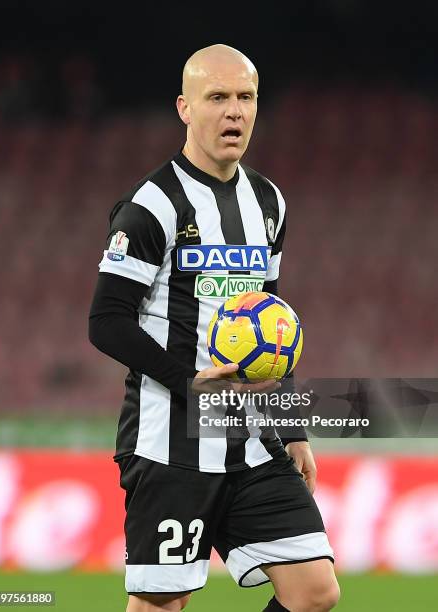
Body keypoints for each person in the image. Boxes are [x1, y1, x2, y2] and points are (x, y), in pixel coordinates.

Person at [89, 44, 340, 612]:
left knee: (315, 593)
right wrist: (187, 379)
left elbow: (271, 328)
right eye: (217, 97)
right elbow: (105, 322)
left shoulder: (268, 203)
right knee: (162, 605)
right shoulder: (152, 205)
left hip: (250, 439)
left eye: (246, 98)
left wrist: (293, 427)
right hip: (169, 443)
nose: (234, 112)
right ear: (184, 107)